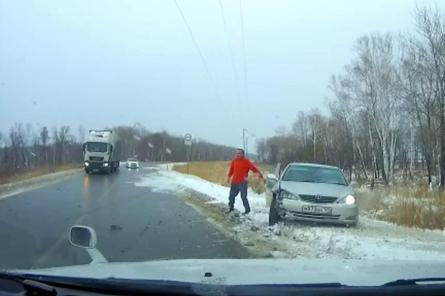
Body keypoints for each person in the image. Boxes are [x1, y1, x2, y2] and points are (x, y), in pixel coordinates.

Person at [226, 148, 264, 214]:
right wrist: (229, 177)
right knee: (231, 196)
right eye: (236, 153)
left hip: (243, 182)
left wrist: (260, 175)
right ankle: (231, 208)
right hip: (234, 182)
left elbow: (253, 168)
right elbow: (231, 170)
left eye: (239, 153)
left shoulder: (246, 161)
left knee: (243, 197)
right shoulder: (234, 161)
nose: (237, 155)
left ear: (242, 154)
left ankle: (247, 210)